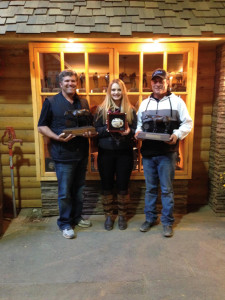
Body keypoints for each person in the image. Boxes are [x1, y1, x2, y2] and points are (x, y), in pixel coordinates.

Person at [135, 69, 193, 237]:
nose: (158, 84)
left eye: (161, 81)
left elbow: (187, 124)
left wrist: (176, 135)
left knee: (166, 190)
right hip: (148, 154)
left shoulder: (177, 102)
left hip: (167, 154)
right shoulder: (145, 103)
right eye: (155, 81)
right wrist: (138, 133)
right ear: (151, 83)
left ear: (168, 82)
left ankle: (167, 222)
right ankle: (150, 218)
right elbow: (139, 124)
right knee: (151, 189)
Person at [38, 70, 92, 239]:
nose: (71, 84)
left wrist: (89, 133)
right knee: (65, 192)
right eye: (67, 81)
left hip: (81, 152)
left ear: (77, 83)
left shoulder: (83, 102)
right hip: (63, 154)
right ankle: (65, 223)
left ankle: (77, 217)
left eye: (73, 81)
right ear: (60, 84)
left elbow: (88, 125)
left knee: (79, 189)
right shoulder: (51, 102)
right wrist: (57, 138)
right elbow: (41, 126)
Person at [94, 79, 137, 231]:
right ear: (109, 92)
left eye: (119, 90)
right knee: (106, 185)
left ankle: (122, 216)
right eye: (113, 90)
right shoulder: (101, 110)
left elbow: (135, 131)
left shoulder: (130, 110)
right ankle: (108, 216)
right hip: (106, 153)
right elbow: (95, 131)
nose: (116, 93)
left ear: (123, 92)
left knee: (123, 185)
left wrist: (129, 132)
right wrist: (107, 128)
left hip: (124, 153)